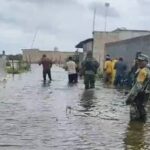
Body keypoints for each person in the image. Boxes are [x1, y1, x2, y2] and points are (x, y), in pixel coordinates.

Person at [126, 54, 150, 121]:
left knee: (134, 115)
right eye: (138, 60)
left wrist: (129, 98)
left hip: (139, 95)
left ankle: (135, 128)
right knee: (142, 110)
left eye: (141, 61)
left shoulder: (143, 71)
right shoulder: (147, 70)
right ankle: (140, 128)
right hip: (145, 95)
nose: (139, 62)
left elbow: (137, 86)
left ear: (146, 62)